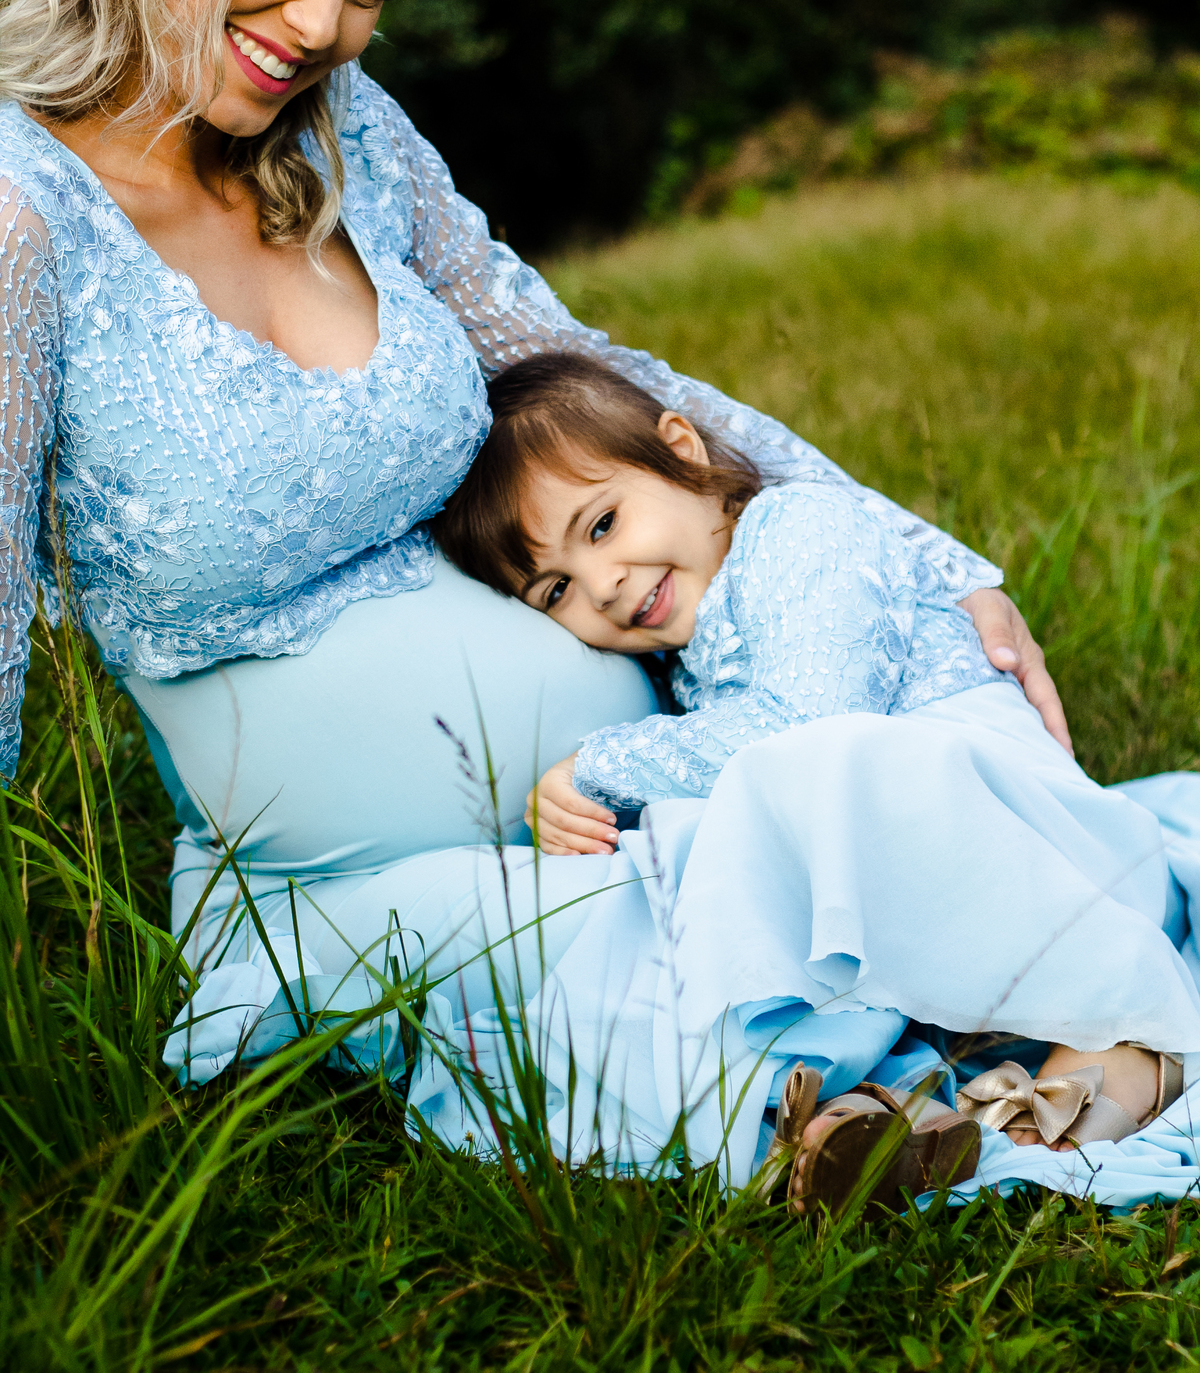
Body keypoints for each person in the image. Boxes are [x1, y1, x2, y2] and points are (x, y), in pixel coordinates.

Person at [0, 0, 1159, 1208]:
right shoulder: (21, 219)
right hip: (366, 871)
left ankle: (991, 1067)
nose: (320, 21)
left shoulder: (348, 136)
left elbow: (587, 368)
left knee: (839, 858)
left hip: (653, 771)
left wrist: (915, 551)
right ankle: (920, 1093)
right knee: (652, 978)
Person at [433, 350, 1199, 1199]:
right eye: (556, 591)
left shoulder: (801, 526)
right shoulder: (682, 665)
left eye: (604, 524)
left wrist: (599, 766)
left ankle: (1070, 1098)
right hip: (930, 912)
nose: (603, 586)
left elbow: (811, 721)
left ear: (682, 450)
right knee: (713, 869)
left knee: (799, 783)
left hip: (1033, 851)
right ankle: (898, 1117)